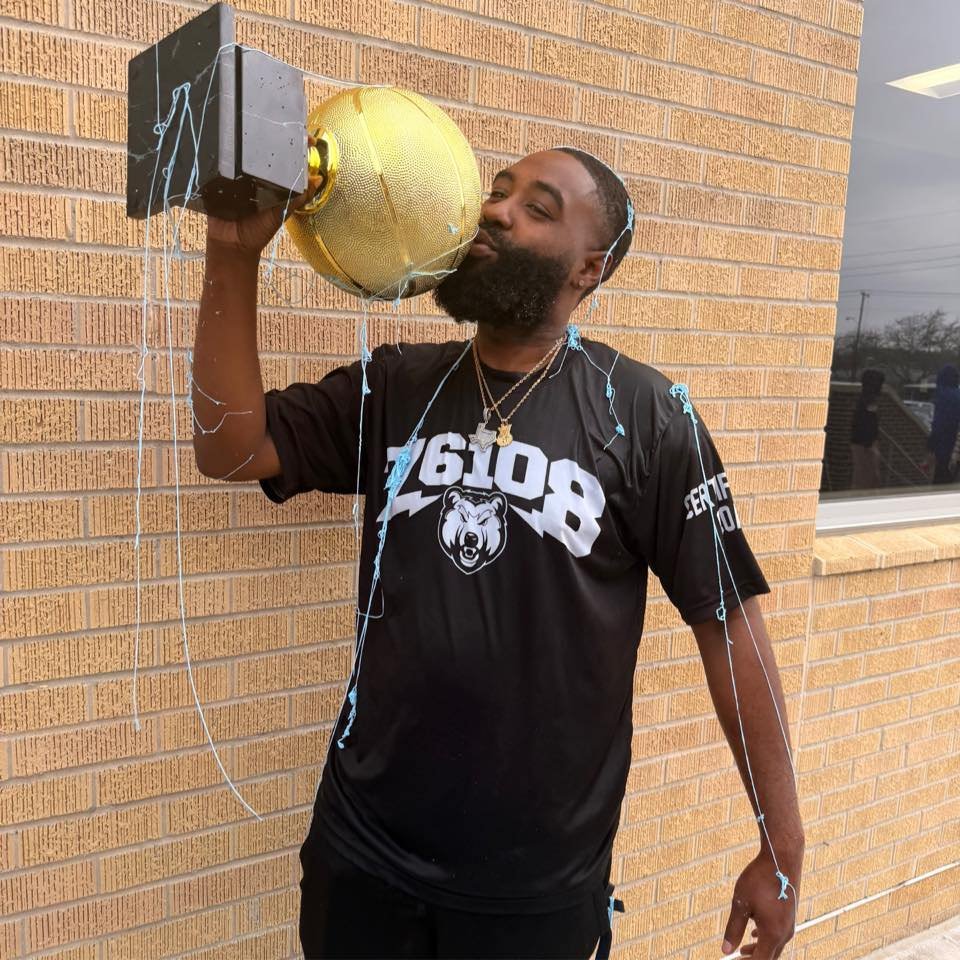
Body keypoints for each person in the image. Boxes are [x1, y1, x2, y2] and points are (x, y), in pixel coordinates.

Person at [192, 145, 804, 960]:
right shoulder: (397, 386)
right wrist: (232, 253)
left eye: (537, 208)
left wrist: (781, 846)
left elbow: (729, 626)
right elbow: (231, 447)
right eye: (498, 192)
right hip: (363, 856)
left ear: (589, 268)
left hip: (534, 890)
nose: (494, 211)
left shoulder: (648, 418)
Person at [849, 368, 884, 490]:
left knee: (866, 478)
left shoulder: (863, 401)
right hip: (865, 446)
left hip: (862, 443)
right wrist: (870, 445)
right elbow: (868, 424)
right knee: (865, 479)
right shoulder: (868, 401)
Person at [924, 364, 960, 484]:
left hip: (945, 449)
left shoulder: (943, 396)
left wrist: (930, 447)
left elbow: (939, 425)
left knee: (940, 482)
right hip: (956, 448)